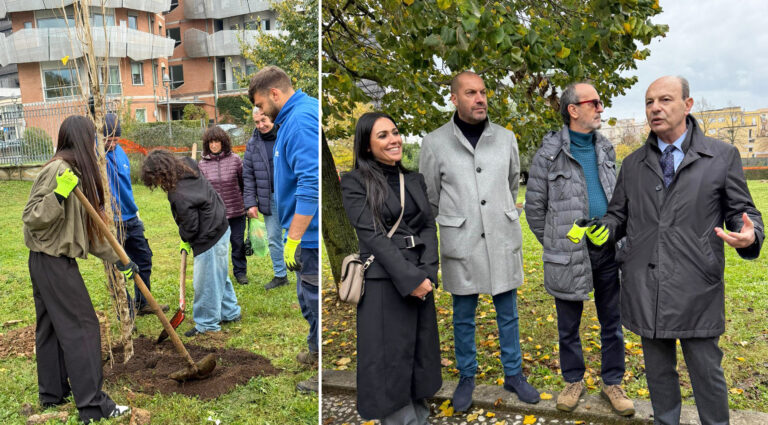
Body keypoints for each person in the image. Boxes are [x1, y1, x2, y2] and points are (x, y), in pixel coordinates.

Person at [602, 76, 764, 425]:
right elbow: (619, 215)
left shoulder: (721, 156)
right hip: (647, 286)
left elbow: (743, 212)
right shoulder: (631, 165)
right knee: (659, 375)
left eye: (665, 100)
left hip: (697, 286)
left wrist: (750, 234)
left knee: (707, 375)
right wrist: (605, 229)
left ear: (687, 105)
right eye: (649, 102)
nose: (655, 108)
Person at [419, 71, 539, 411]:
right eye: (471, 93)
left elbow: (512, 181)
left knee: (508, 311)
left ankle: (514, 374)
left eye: (483, 92)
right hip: (461, 239)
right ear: (455, 99)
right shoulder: (435, 142)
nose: (480, 98)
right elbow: (430, 195)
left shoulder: (506, 139)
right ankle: (467, 376)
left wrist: (497, 211)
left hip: (501, 236)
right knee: (463, 314)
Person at [524, 82, 634, 416]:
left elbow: (617, 198)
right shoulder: (547, 154)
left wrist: (613, 232)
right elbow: (534, 209)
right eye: (595, 103)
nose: (601, 108)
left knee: (612, 321)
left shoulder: (606, 149)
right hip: (568, 255)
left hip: (607, 249)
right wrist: (559, 243)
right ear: (573, 109)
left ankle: (612, 382)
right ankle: (573, 380)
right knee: (567, 326)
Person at [23, 115, 130, 422]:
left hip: (47, 261)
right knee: (83, 327)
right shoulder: (60, 170)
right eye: (93, 139)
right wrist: (59, 193)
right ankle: (94, 406)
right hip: (52, 261)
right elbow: (32, 216)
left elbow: (87, 230)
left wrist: (121, 260)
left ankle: (53, 393)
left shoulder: (74, 172)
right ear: (82, 139)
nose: (96, 145)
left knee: (52, 327)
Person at [341, 112, 442, 424]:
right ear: (367, 146)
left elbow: (427, 225)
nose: (393, 139)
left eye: (395, 132)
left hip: (419, 275)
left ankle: (420, 416)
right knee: (388, 359)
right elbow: (371, 236)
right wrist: (410, 278)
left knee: (419, 353)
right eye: (382, 135)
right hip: (384, 280)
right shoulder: (354, 182)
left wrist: (427, 272)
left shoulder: (414, 180)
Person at [248, 65, 319, 364]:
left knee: (313, 297)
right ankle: (316, 351)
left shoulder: (300, 121)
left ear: (274, 93)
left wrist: (294, 237)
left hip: (306, 235)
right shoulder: (291, 119)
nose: (261, 113)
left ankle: (321, 372)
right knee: (306, 295)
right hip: (300, 231)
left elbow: (310, 183)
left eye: (261, 105)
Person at [140, 149, 242, 337]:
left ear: (160, 174)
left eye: (155, 180)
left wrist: (185, 237)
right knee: (218, 273)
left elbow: (191, 226)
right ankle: (230, 312)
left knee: (206, 282)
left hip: (209, 235)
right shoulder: (187, 165)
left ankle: (207, 325)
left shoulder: (178, 194)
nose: (157, 184)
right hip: (221, 222)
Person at [103, 113, 168, 315]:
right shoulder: (95, 155)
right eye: (109, 139)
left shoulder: (120, 152)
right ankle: (126, 308)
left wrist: (135, 211)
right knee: (116, 267)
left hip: (131, 216)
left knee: (144, 258)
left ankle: (142, 302)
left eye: (116, 139)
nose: (113, 144)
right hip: (111, 221)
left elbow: (126, 185)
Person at [242, 108, 288, 290]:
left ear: (273, 118)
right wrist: (250, 203)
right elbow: (248, 176)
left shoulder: (286, 136)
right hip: (268, 197)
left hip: (290, 195)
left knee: (297, 236)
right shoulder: (252, 144)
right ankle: (280, 274)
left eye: (264, 120)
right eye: (257, 122)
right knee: (274, 238)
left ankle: (305, 271)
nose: (261, 125)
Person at [197, 125, 249, 285]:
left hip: (236, 211)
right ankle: (220, 274)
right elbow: (202, 190)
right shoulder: (202, 164)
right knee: (219, 247)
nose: (213, 145)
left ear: (223, 142)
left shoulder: (235, 160)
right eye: (210, 142)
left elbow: (243, 184)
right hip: (215, 214)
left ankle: (240, 272)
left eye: (217, 142)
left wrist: (247, 204)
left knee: (238, 243)